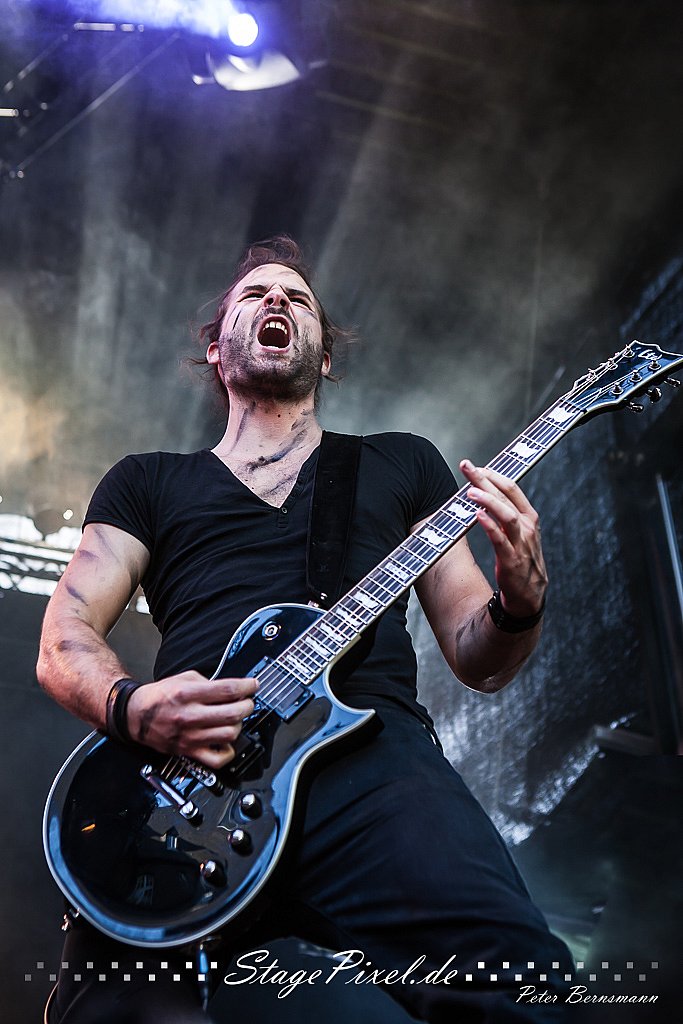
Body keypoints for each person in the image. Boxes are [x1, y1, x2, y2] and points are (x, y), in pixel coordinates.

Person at [38, 236, 572, 1023]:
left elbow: (478, 657)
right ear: (216, 350)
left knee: (521, 989)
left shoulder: (400, 464)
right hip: (185, 780)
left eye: (297, 298)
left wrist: (518, 602)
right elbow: (66, 631)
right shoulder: (147, 481)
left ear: (323, 357)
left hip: (370, 760)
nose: (277, 301)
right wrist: (132, 707)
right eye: (255, 294)